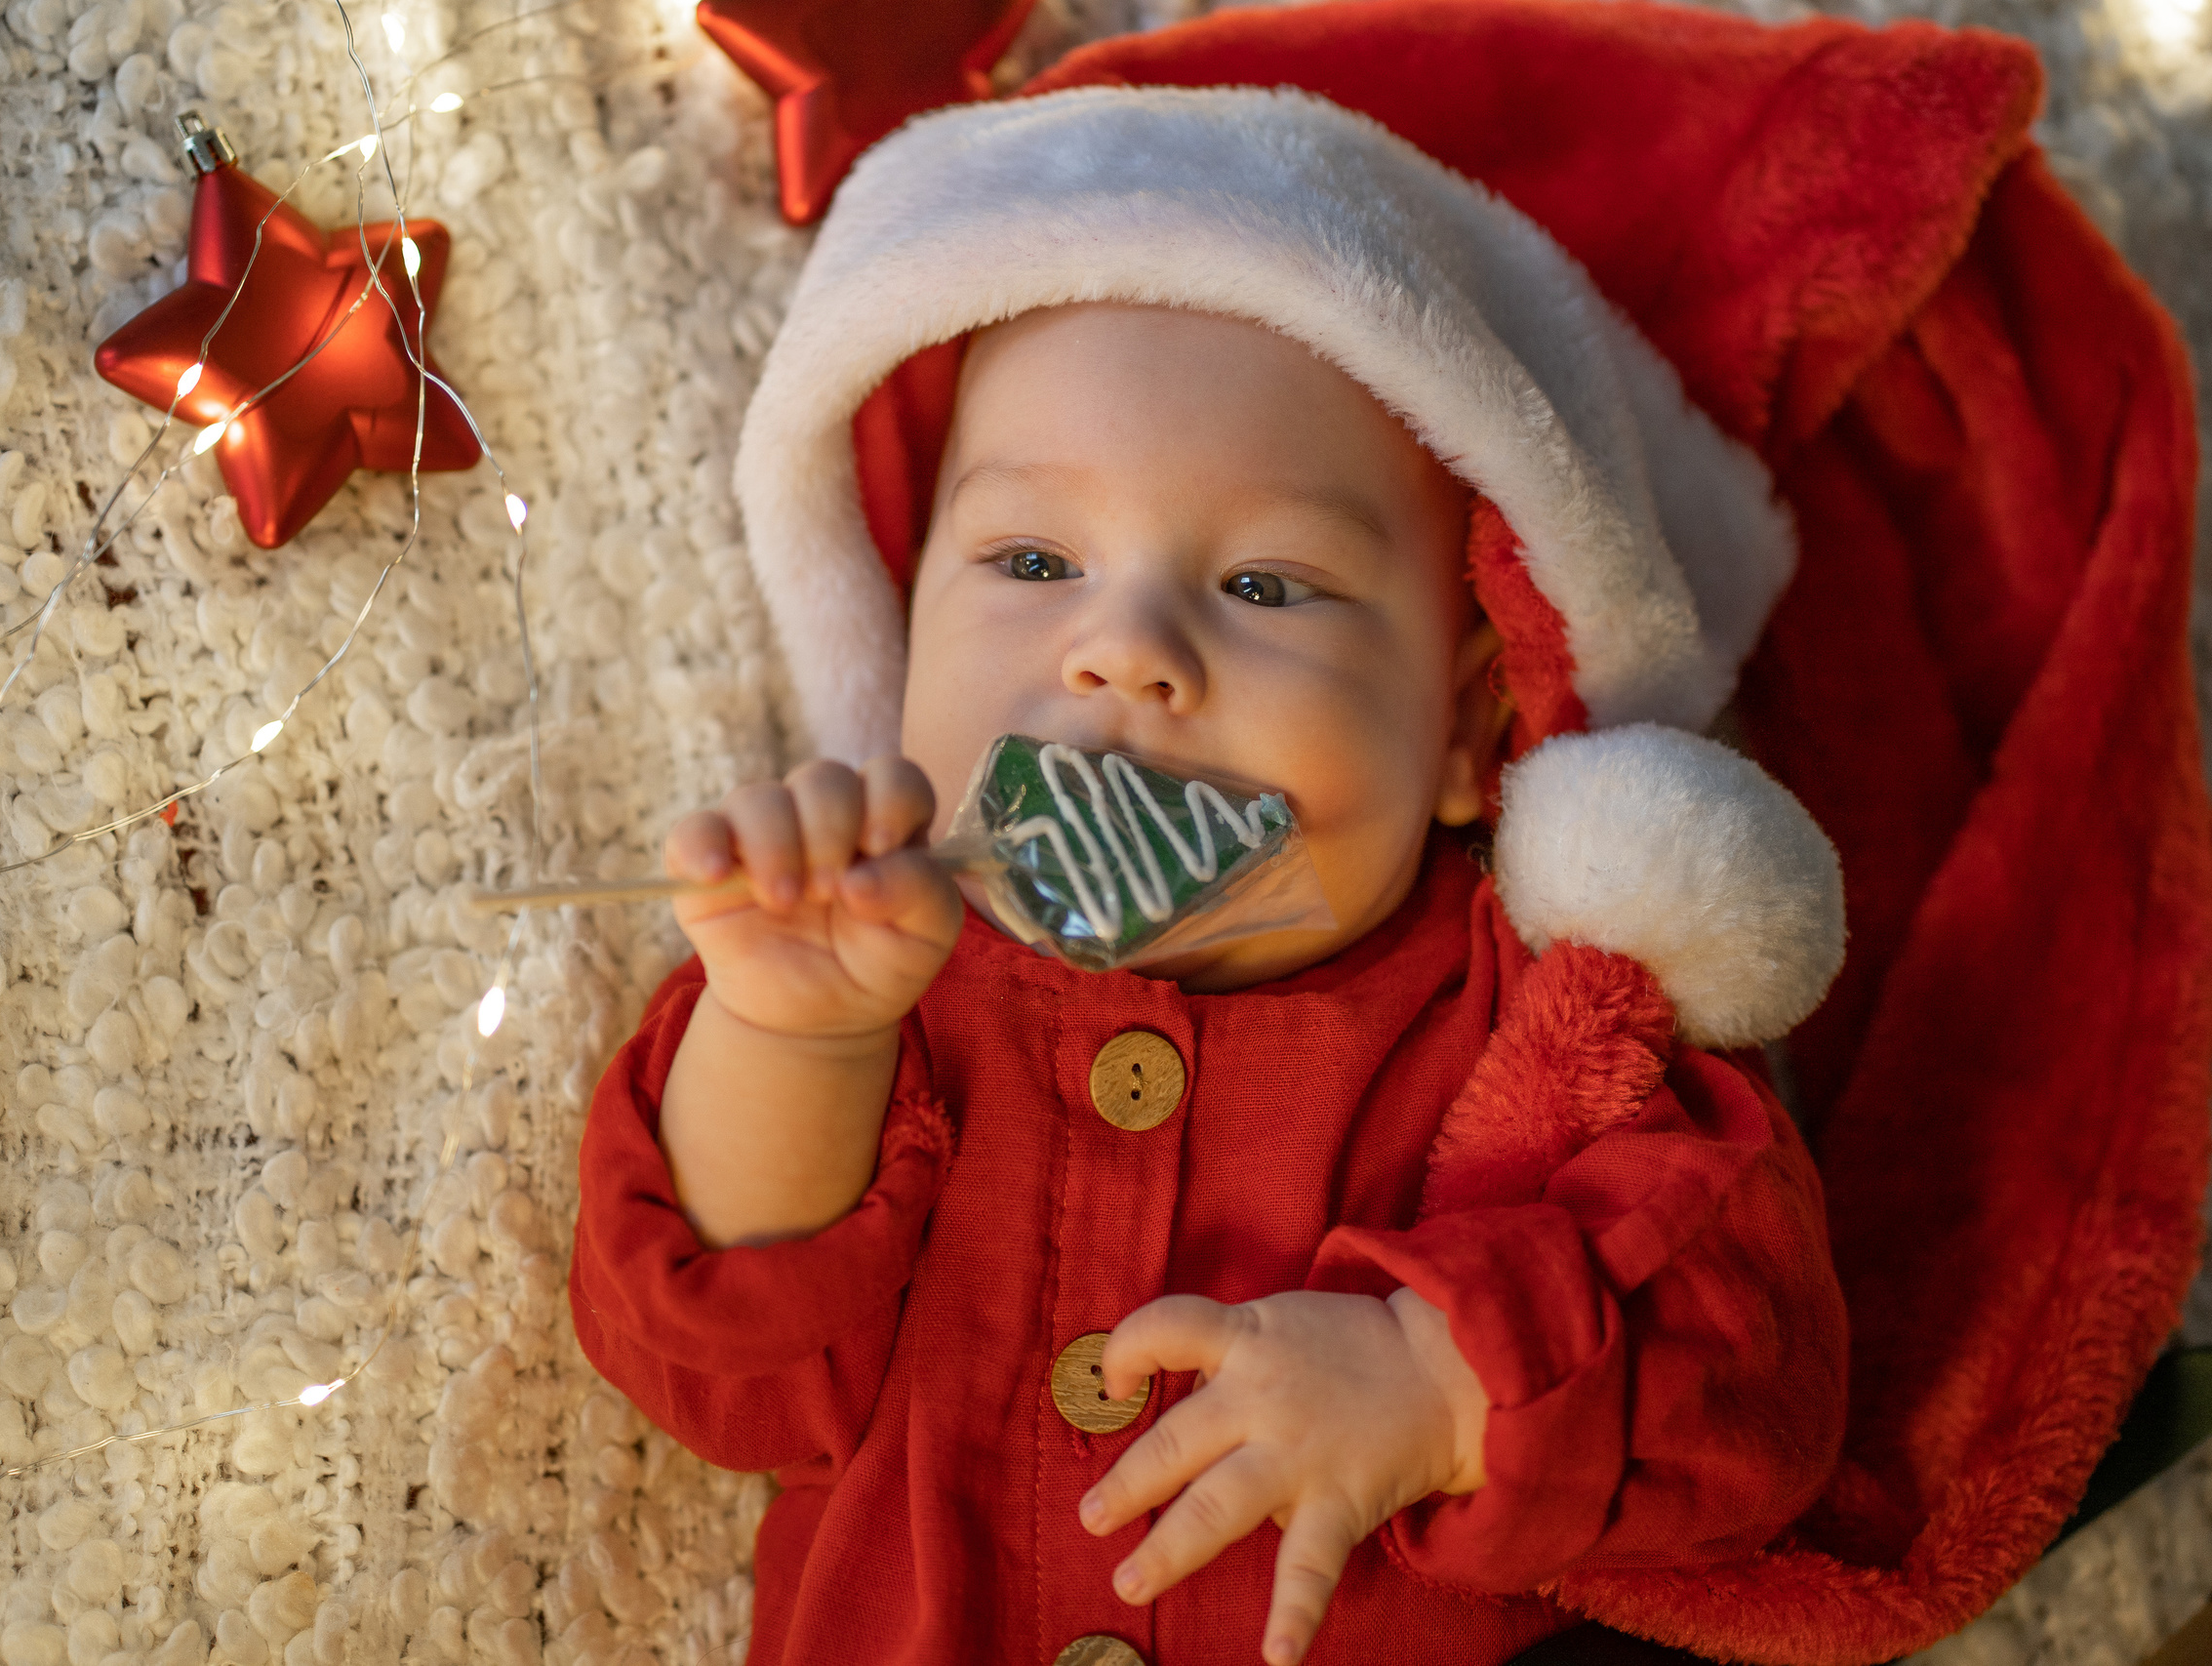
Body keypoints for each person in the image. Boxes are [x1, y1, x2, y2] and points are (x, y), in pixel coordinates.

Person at [567, 76, 1860, 1666]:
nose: (1124, 652)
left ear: (1466, 728)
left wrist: (1445, 1385)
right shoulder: (879, 982)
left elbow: (1763, 1358)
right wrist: (788, 1038)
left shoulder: (1534, 1028)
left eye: (1267, 584)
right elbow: (720, 1380)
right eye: (1033, 564)